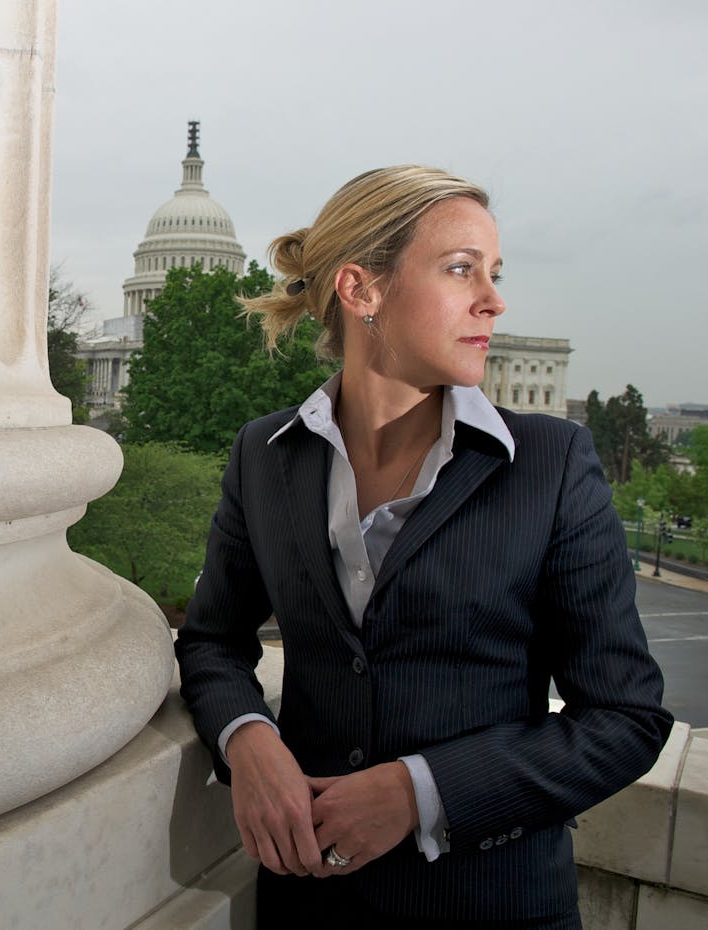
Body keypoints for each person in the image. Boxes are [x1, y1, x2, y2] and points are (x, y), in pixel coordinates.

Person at [174, 165, 672, 929]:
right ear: (361, 290)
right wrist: (249, 741)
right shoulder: (265, 456)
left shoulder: (550, 464)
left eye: (494, 274)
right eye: (461, 269)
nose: (494, 301)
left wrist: (419, 792)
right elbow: (211, 639)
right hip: (309, 902)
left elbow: (625, 718)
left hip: (492, 907)